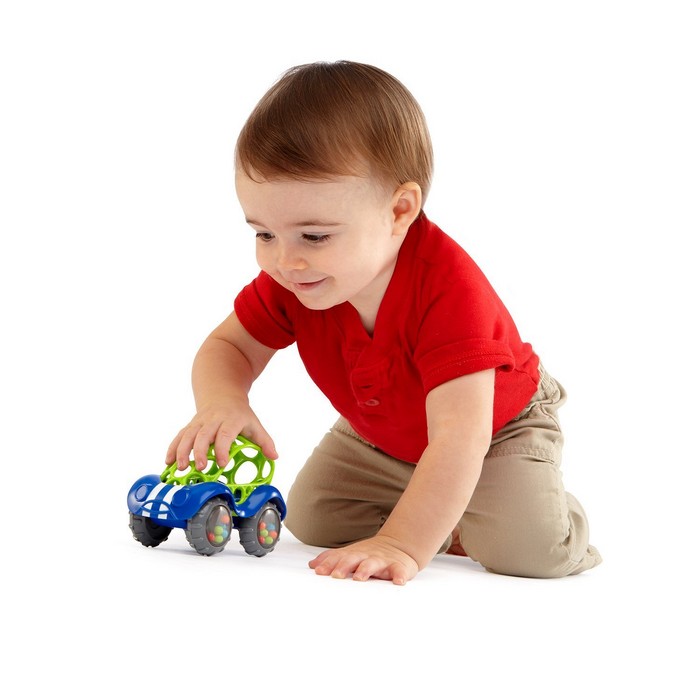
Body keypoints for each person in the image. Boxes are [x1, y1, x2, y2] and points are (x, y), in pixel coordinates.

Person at [166, 60, 602, 585]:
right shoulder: (298, 279)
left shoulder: (450, 291)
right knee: (317, 518)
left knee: (527, 551)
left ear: (399, 211)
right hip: (385, 433)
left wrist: (402, 543)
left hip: (491, 430)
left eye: (314, 236)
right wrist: (223, 401)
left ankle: (529, 506)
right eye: (264, 234)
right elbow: (229, 347)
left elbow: (458, 439)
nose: (284, 260)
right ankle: (445, 507)